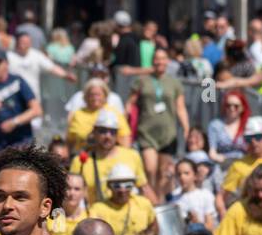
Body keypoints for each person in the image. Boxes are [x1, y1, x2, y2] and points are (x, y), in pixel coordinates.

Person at [130, 49, 189, 195]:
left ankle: (160, 201)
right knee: (150, 169)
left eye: (163, 59)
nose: (159, 62)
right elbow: (130, 104)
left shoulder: (174, 83)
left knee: (165, 172)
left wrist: (186, 127)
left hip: (168, 134)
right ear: (152, 61)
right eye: (157, 59)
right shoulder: (142, 80)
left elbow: (180, 108)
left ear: (168, 61)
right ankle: (150, 200)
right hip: (147, 132)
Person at [70, 110, 152, 204]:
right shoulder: (80, 161)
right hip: (96, 215)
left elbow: (144, 188)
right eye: (103, 131)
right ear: (94, 132)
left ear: (117, 134)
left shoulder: (132, 156)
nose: (107, 136)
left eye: (112, 132)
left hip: (127, 214)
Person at [87, 164, 157, 235]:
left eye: (128, 185)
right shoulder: (97, 209)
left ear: (133, 185)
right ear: (108, 186)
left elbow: (154, 229)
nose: (122, 190)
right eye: (116, 185)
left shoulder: (144, 204)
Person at [0, 55, 41, 157]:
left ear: (6, 65)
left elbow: (37, 110)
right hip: (0, 145)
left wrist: (14, 122)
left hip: (22, 141)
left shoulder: (18, 81)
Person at [67, 79, 129, 152]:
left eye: (98, 95)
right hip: (83, 155)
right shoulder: (78, 114)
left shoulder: (113, 113)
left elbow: (125, 138)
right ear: (86, 96)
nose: (95, 98)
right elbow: (70, 140)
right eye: (92, 94)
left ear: (105, 96)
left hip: (108, 156)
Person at [168, 158, 217, 231]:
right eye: (179, 174)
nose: (182, 177)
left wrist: (197, 222)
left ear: (195, 175)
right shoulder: (173, 197)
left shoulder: (205, 195)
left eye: (186, 173)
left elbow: (211, 227)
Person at [207, 90, 251, 164]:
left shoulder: (248, 124)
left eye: (236, 106)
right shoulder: (215, 125)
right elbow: (212, 153)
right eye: (228, 105)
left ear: (243, 108)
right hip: (222, 164)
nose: (232, 108)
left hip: (244, 164)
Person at [45, 171, 87, 235]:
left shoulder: (90, 217)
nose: (72, 193)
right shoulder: (48, 217)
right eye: (68, 188)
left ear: (84, 192)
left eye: (77, 189)